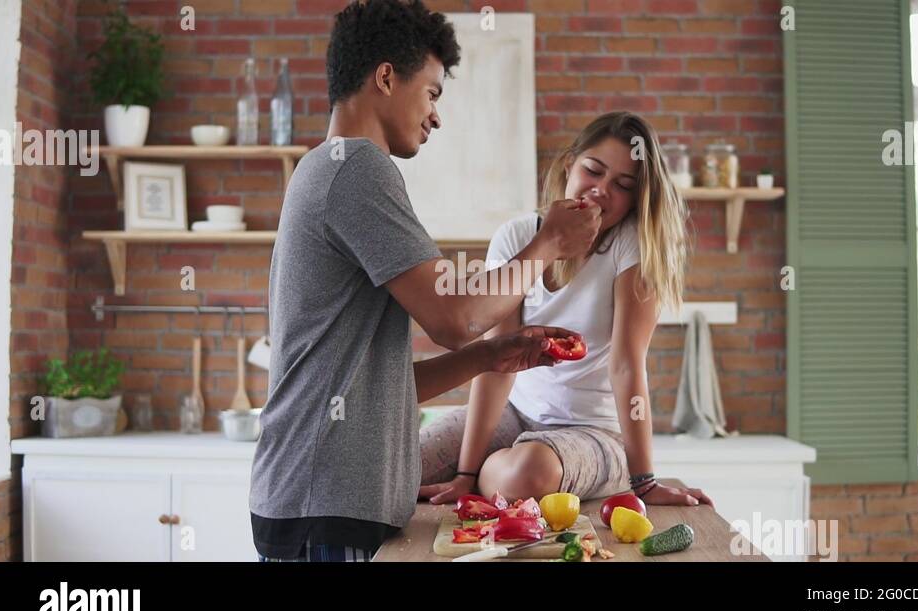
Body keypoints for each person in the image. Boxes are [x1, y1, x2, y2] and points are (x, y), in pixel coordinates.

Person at [249, 0, 602, 562]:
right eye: (433, 92)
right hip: (324, 509)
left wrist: (493, 356)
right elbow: (455, 319)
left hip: (318, 505)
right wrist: (550, 244)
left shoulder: (331, 167)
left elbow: (374, 389)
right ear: (386, 76)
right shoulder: (358, 168)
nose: (436, 115)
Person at [419, 112, 714, 510]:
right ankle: (491, 475)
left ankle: (500, 475)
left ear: (636, 199)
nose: (601, 190)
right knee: (403, 462)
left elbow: (627, 364)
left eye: (623, 186)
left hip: (593, 434)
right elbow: (497, 358)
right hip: (516, 416)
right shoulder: (518, 236)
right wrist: (464, 474)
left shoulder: (632, 246)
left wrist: (644, 483)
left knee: (528, 474)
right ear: (569, 164)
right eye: (593, 170)